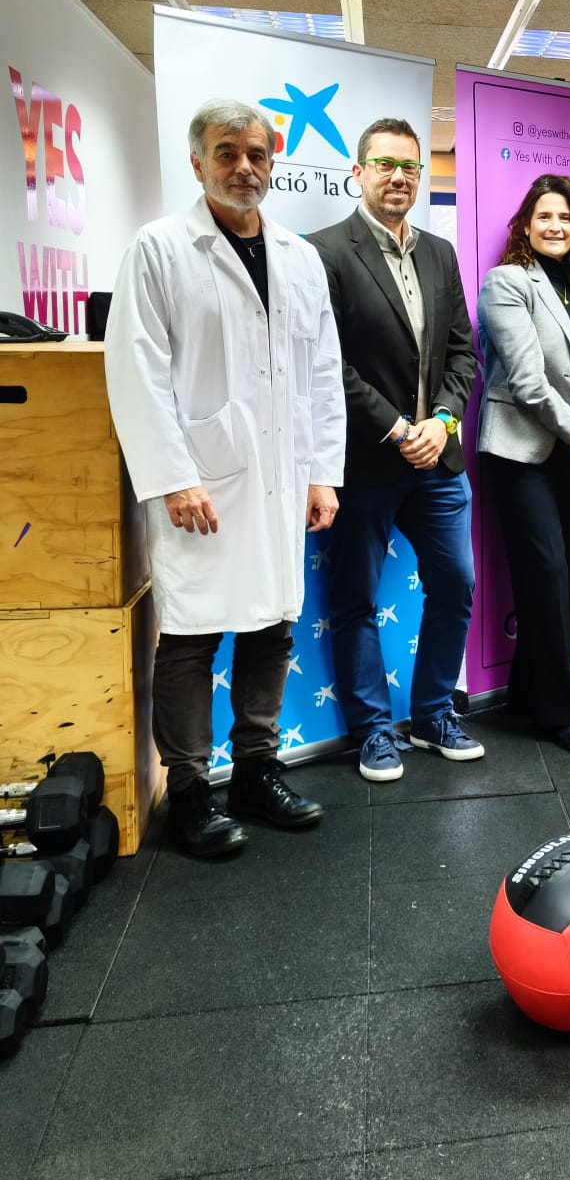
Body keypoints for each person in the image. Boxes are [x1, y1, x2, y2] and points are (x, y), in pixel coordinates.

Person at [103, 99, 344, 857]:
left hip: (280, 473)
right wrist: (173, 476)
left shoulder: (299, 257)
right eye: (227, 153)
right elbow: (136, 370)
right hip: (201, 480)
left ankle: (256, 771)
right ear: (197, 162)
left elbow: (324, 372)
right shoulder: (160, 248)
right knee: (191, 634)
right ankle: (189, 789)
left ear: (273, 163)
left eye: (256, 154)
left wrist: (322, 472)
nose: (244, 167)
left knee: (271, 624)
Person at [307, 119, 481, 784]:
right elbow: (328, 362)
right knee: (355, 598)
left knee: (456, 584)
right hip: (366, 462)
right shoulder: (325, 252)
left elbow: (463, 351)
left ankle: (433, 713)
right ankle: (374, 730)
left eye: (409, 166)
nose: (398, 177)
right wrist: (398, 428)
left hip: (439, 459)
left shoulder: (439, 252)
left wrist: (443, 420)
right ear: (358, 173)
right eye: (384, 164)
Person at [476, 175, 570, 756]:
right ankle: (559, 713)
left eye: (565, 217)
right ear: (526, 225)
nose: (555, 226)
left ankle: (528, 692)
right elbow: (527, 381)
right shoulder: (507, 282)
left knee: (558, 580)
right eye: (544, 216)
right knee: (548, 573)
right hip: (523, 453)